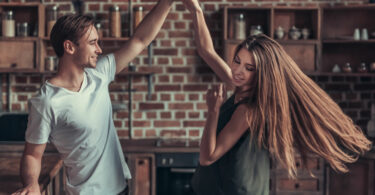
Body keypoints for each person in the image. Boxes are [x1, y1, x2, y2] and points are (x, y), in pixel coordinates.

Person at [181, 0, 372, 194]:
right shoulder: (240, 85)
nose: (237, 71)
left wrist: (213, 110)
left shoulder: (249, 110)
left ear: (261, 73)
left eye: (249, 68)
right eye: (237, 61)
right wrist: (196, 9)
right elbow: (207, 50)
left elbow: (207, 157)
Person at [12, 0, 173, 194]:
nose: (99, 49)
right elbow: (32, 155)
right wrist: (31, 184)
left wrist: (167, 2)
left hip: (121, 189)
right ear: (69, 47)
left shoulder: (99, 74)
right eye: (92, 43)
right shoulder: (47, 101)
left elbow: (140, 41)